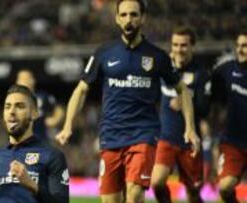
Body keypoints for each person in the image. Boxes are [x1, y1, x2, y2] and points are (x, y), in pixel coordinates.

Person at [55, 0, 200, 202]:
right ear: (116, 19)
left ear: (143, 18)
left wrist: (190, 128)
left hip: (143, 134)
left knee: (134, 193)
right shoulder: (104, 53)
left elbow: (182, 90)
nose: (128, 20)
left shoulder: (157, 57)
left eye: (133, 14)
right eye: (123, 15)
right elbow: (81, 90)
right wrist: (68, 125)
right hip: (111, 136)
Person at [0, 85, 69, 203]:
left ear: (35, 113)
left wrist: (32, 185)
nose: (12, 112)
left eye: (19, 106)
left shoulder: (52, 157)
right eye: (7, 107)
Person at [150, 26, 211, 203]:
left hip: (189, 141)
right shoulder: (164, 68)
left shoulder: (201, 74)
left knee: (193, 192)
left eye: (183, 45)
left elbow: (205, 109)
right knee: (157, 182)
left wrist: (186, 101)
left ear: (193, 46)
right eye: (175, 45)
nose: (178, 49)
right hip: (165, 137)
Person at [212, 29, 247, 203]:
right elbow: (210, 94)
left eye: (245, 46)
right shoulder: (226, 69)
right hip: (233, 143)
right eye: (238, 45)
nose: (240, 49)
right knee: (225, 188)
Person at [16, 69, 65, 140]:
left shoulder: (42, 96)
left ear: (33, 80)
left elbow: (58, 109)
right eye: (21, 79)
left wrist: (54, 120)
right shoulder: (13, 99)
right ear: (17, 82)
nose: (24, 82)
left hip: (40, 140)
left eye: (26, 79)